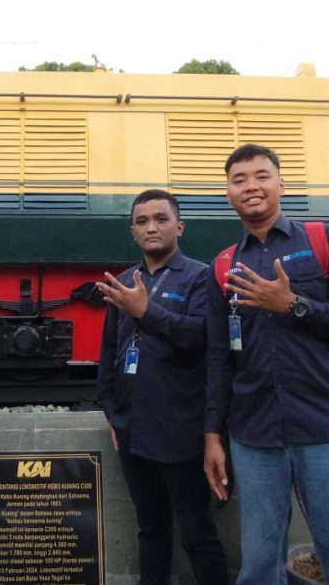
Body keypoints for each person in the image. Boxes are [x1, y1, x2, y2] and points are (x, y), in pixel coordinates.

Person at [203, 144, 329, 584]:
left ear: (281, 184)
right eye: (239, 179)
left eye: (261, 175)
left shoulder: (326, 240)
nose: (251, 186)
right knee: (259, 567)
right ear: (228, 194)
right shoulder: (222, 266)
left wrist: (294, 305)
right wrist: (212, 437)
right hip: (255, 438)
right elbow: (220, 359)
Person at [96, 189, 229, 585]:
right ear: (133, 232)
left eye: (161, 219)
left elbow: (203, 336)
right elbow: (109, 352)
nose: (151, 227)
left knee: (195, 531)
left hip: (182, 429)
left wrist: (147, 312)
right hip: (133, 431)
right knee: (150, 526)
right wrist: (112, 412)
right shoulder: (122, 281)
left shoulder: (202, 278)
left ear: (179, 227)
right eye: (141, 221)